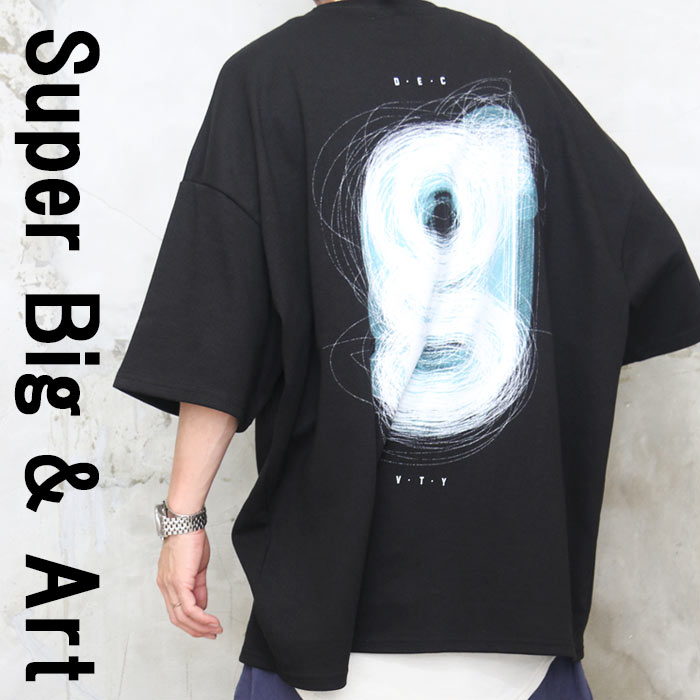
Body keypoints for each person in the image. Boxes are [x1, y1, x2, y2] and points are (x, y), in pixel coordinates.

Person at [112, 0, 700, 698]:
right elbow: (641, 267)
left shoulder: (266, 77)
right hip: (514, 588)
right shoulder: (512, 67)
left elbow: (217, 320)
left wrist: (183, 519)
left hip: (338, 597)